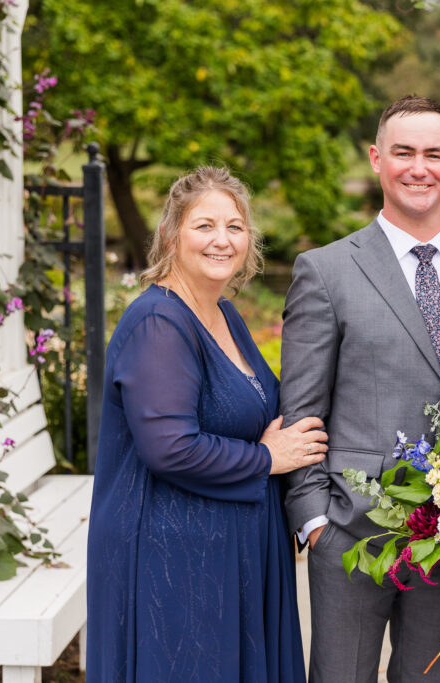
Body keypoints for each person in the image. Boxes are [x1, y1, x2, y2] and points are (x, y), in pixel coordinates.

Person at [280, 96, 440, 682]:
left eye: (433, 154)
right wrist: (314, 522)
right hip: (350, 532)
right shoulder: (326, 270)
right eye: (403, 152)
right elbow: (300, 408)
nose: (418, 167)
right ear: (378, 159)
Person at [87, 167, 327, 682]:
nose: (223, 240)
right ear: (172, 236)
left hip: (228, 549)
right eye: (205, 226)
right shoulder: (159, 322)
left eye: (235, 227)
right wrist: (268, 458)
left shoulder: (223, 313)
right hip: (172, 558)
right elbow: (171, 447)